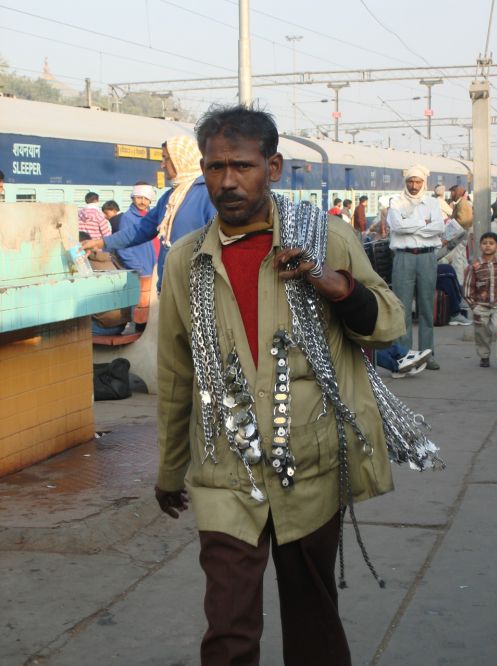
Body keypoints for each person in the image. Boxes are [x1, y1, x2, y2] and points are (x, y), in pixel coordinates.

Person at [154, 104, 405, 666]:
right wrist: (171, 471)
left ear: (273, 166)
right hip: (226, 470)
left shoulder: (328, 238)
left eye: (241, 166)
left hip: (310, 469)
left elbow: (389, 323)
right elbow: (177, 375)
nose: (226, 181)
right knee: (228, 630)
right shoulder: (186, 262)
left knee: (312, 621)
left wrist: (337, 287)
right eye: (215, 168)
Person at [82, 136, 215, 292]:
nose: (162, 165)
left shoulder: (208, 194)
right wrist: (101, 243)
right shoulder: (170, 197)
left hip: (197, 290)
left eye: (166, 159)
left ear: (181, 159)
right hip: (169, 287)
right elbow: (140, 230)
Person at [387, 164, 444, 370]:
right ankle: (405, 354)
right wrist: (424, 224)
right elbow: (397, 226)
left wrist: (411, 223)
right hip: (404, 257)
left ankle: (428, 354)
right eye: (410, 181)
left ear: (424, 183)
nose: (413, 185)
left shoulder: (432, 202)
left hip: (427, 258)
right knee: (402, 308)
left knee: (426, 308)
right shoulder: (396, 201)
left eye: (417, 181)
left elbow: (439, 226)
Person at [463, 231, 497, 367]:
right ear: (480, 246)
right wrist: (474, 306)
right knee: (482, 332)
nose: (488, 246)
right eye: (485, 243)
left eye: (491, 243)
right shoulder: (475, 267)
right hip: (481, 306)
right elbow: (468, 288)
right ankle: (484, 356)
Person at [114, 183, 156, 277]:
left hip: (156, 269)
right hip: (144, 272)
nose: (142, 202)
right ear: (133, 198)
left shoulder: (153, 216)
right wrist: (139, 268)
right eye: (139, 198)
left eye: (146, 198)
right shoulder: (128, 218)